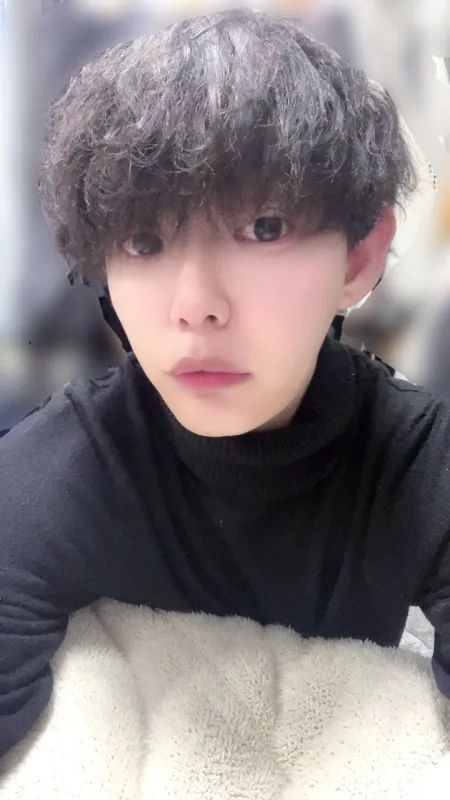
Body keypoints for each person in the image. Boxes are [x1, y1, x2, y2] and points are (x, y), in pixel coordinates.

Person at [1, 9, 449, 760]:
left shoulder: (419, 467)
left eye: (265, 227)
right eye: (144, 239)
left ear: (360, 258)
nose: (195, 304)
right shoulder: (56, 474)